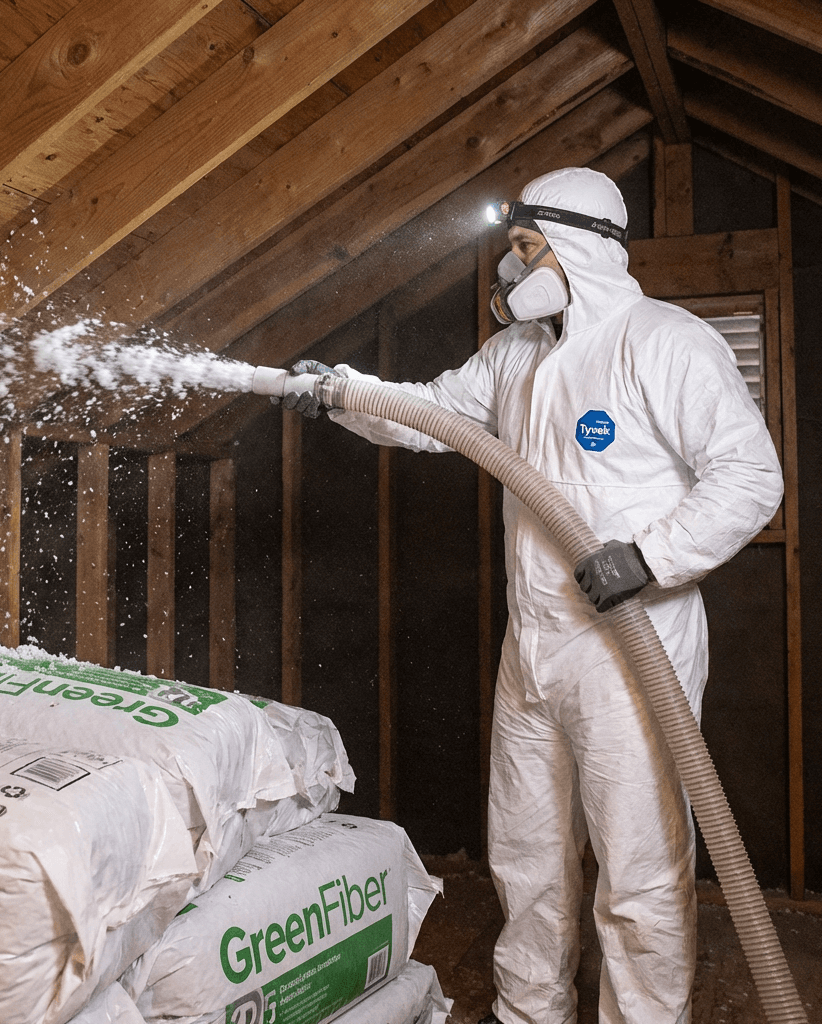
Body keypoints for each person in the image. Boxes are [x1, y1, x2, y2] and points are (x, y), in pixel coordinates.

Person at [280, 167, 784, 1024]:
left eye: (523, 249)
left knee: (638, 862)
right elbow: (435, 413)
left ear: (581, 245)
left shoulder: (664, 342)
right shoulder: (517, 353)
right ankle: (530, 1012)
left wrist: (649, 557)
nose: (509, 273)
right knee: (529, 850)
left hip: (634, 640)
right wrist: (343, 393)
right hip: (537, 638)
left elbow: (749, 477)